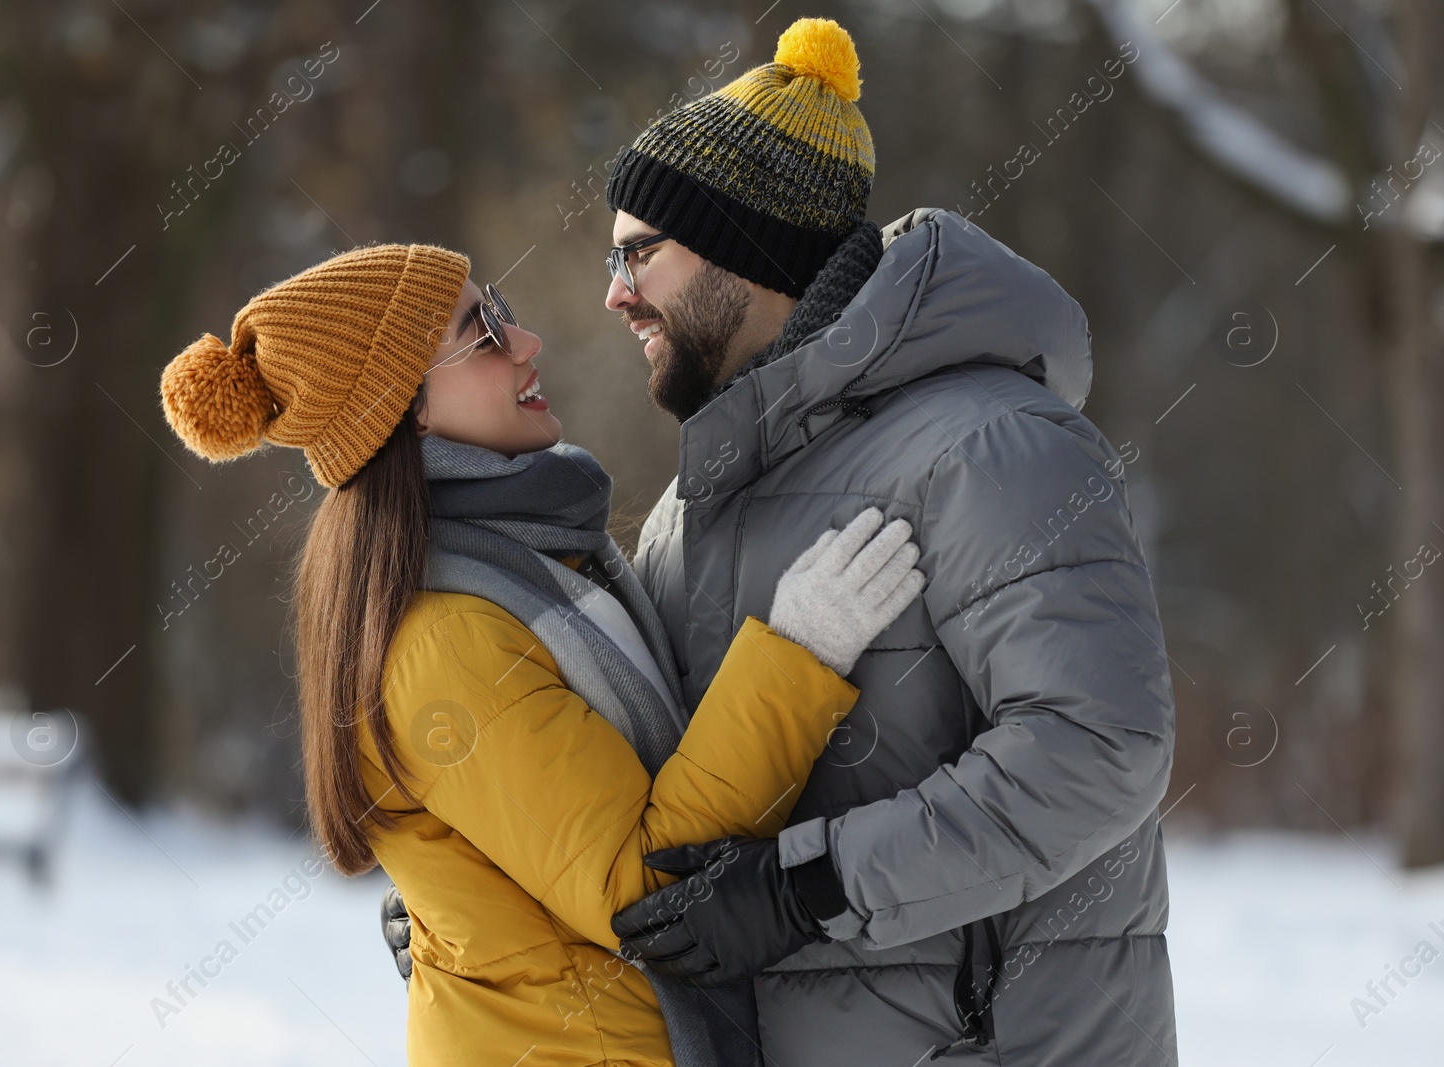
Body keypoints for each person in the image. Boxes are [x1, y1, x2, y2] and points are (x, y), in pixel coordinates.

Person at [157, 242, 928, 1067]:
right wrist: (798, 654)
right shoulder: (446, 634)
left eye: (501, 311)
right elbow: (647, 888)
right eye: (482, 333)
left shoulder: (530, 558)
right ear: (407, 407)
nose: (525, 343)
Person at [600, 16, 1180, 1066]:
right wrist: (491, 886)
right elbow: (661, 790)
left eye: (641, 252)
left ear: (749, 249)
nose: (615, 293)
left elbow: (1098, 746)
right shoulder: (694, 504)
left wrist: (806, 887)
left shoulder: (994, 445)